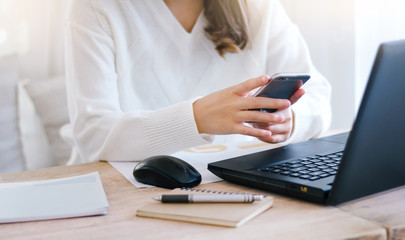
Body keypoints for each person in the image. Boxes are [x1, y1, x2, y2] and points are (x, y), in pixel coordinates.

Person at [62, 0, 331, 164]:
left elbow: (317, 96)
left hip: (233, 181)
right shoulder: (96, 6)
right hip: (124, 189)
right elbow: (93, 134)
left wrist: (290, 120)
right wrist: (196, 119)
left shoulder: (258, 6)